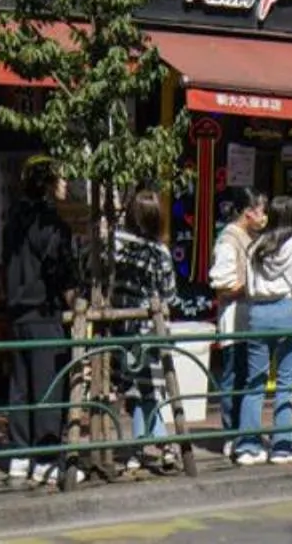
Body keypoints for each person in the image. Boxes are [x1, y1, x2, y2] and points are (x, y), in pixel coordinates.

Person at [1, 159, 79, 485]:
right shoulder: (52, 226)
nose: (66, 184)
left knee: (20, 387)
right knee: (48, 386)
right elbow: (63, 276)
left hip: (17, 313)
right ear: (48, 185)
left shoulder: (13, 220)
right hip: (44, 313)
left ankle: (20, 455)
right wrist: (78, 307)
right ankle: (45, 458)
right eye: (60, 179)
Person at [104, 191, 180, 473]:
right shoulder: (159, 252)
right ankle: (165, 445)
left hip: (119, 328)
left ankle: (139, 450)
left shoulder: (114, 244)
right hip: (150, 329)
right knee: (150, 390)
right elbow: (170, 294)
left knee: (136, 390)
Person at [238, 196, 292, 464]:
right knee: (285, 383)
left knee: (254, 382)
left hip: (257, 313)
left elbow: (248, 286)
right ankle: (282, 445)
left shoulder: (256, 245)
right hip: (287, 311)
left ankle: (248, 444)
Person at [208, 188, 269, 450]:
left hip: (250, 320)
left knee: (247, 378)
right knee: (235, 377)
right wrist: (252, 287)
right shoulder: (229, 241)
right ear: (248, 212)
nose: (264, 216)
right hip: (235, 321)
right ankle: (233, 434)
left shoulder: (249, 237)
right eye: (261, 210)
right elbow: (221, 284)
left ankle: (246, 433)